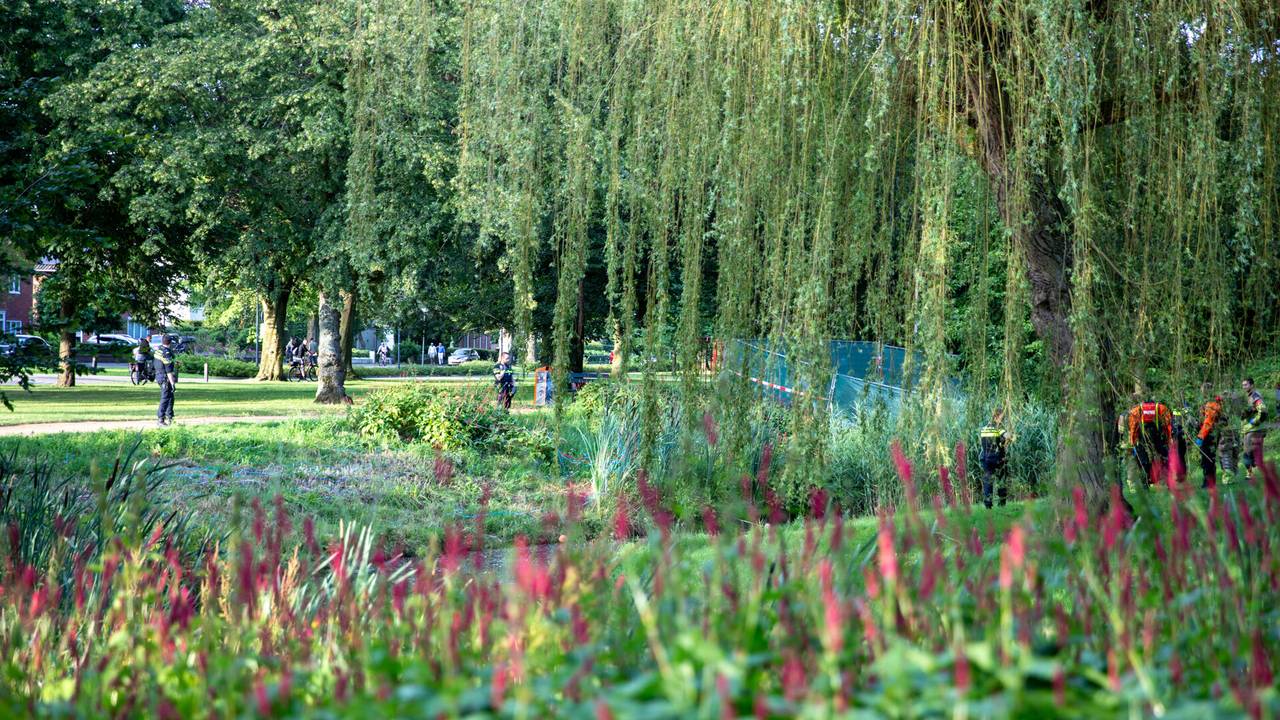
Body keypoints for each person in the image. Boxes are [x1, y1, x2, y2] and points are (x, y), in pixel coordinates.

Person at [1127, 397, 1173, 486]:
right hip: (1158, 437)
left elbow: (1133, 428)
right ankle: (1166, 480)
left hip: (1142, 438)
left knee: (1143, 460)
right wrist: (1168, 439)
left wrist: (1132, 442)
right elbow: (1168, 426)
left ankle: (1146, 482)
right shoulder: (1161, 408)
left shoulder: (1136, 410)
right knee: (1164, 457)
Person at [978, 408, 1010, 509]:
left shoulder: (984, 429)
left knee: (988, 482)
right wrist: (1008, 438)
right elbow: (1008, 436)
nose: (1002, 420)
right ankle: (1002, 504)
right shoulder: (999, 428)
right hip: (998, 459)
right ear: (996, 417)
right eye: (1001, 418)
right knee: (1001, 481)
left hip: (986, 459)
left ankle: (988, 506)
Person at [1193, 388, 1224, 488]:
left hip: (1209, 435)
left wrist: (1200, 438)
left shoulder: (1211, 405)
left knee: (1207, 458)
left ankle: (1209, 482)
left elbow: (1207, 424)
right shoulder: (1213, 403)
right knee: (1209, 458)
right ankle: (1209, 481)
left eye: (1203, 391)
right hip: (1212, 434)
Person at [1241, 377, 1268, 481]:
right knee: (1251, 453)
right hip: (1250, 429)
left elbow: (1264, 412)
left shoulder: (1255, 396)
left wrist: (1254, 422)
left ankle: (1252, 474)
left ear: (1252, 385)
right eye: (1243, 385)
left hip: (1254, 429)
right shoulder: (1249, 396)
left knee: (1247, 453)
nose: (1244, 387)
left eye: (1246, 385)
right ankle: (1253, 473)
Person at [153, 334, 177, 427]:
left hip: (159, 376)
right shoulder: (166, 354)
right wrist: (173, 383)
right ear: (170, 343)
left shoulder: (158, 350)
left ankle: (170, 418)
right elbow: (169, 371)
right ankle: (161, 420)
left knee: (170, 397)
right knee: (165, 398)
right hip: (165, 378)